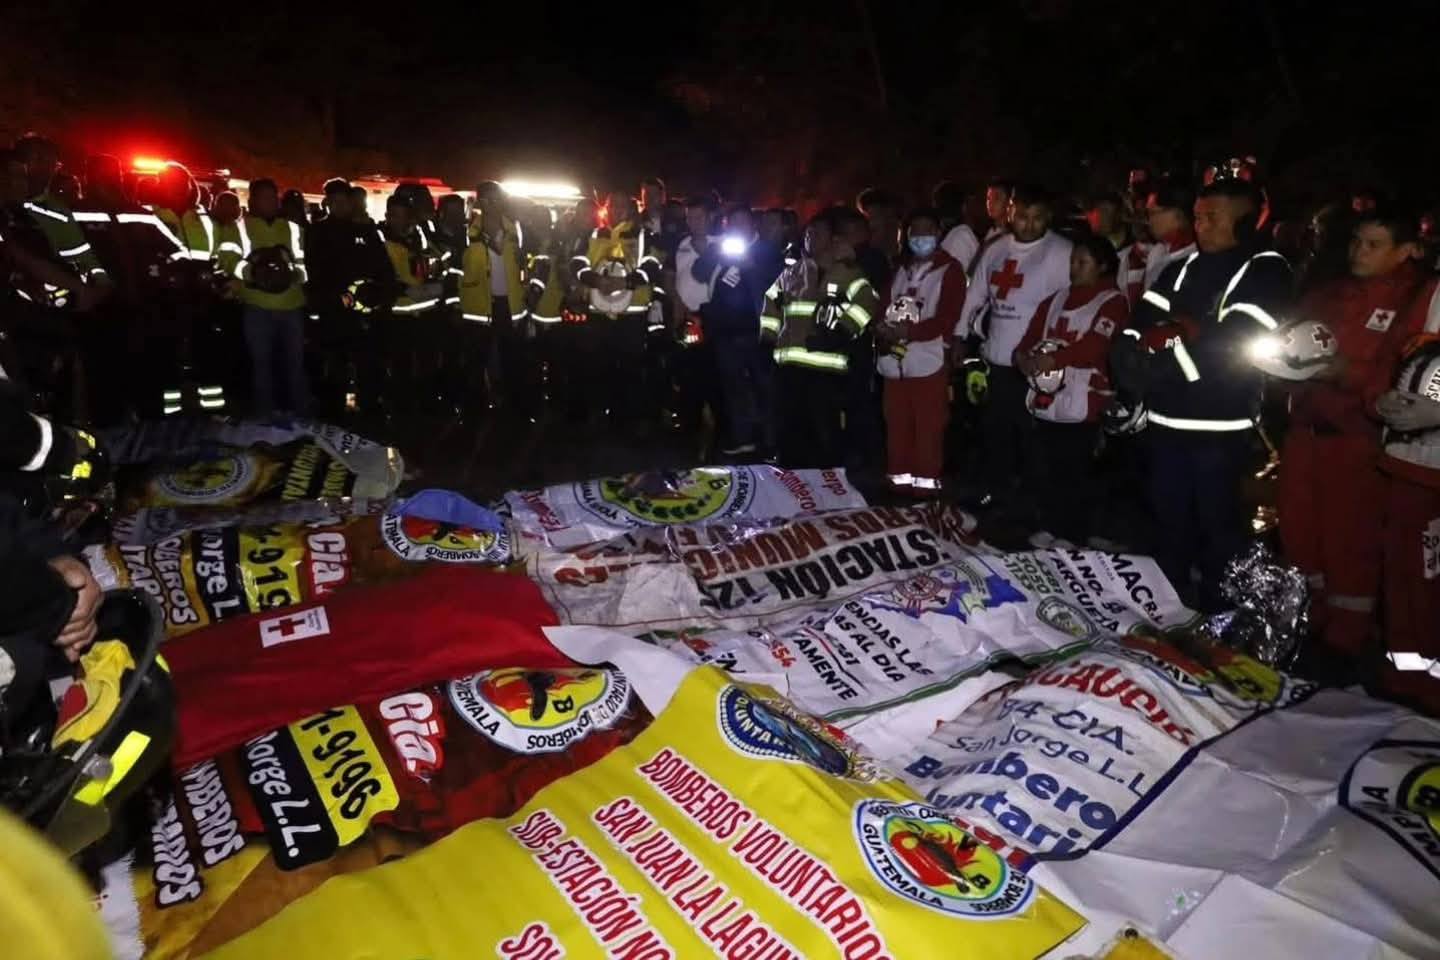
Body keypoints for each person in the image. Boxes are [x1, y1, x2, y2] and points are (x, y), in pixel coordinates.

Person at [1128, 178, 1292, 611]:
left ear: (1245, 221)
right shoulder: (1181, 268)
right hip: (1165, 422)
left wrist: (1174, 341)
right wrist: (1131, 352)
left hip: (1220, 426)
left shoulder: (1265, 269)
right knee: (1168, 522)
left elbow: (1235, 339)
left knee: (1219, 527)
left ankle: (1223, 616)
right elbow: (1141, 321)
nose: (1200, 226)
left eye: (1212, 217)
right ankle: (1169, 610)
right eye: (1198, 216)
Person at [1276, 209, 1427, 668]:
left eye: (1373, 244)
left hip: (1356, 439)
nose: (1359, 251)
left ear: (1406, 251)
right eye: (1357, 241)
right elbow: (1289, 336)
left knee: (1350, 542)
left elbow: (1403, 370)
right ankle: (1308, 620)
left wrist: (1346, 372)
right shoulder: (1330, 293)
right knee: (1299, 532)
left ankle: (1346, 642)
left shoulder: (1415, 300)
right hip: (1306, 432)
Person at [954, 184, 1073, 511]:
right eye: (1022, 216)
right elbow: (974, 296)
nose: (1029, 225)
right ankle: (997, 495)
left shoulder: (1062, 252)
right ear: (1010, 213)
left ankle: (1033, 505)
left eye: (1037, 218)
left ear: (1048, 217)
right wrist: (959, 337)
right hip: (997, 361)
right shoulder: (995, 250)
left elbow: (1071, 304)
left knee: (1034, 440)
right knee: (995, 433)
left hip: (1037, 366)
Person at [1014, 234, 1128, 545]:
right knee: (1047, 465)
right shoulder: (1055, 299)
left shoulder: (1112, 302)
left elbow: (1096, 346)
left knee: (1076, 470)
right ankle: (1051, 524)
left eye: (1082, 262)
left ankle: (1073, 532)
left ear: (1102, 266)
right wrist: (1022, 357)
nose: (1074, 268)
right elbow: (1032, 335)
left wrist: (1056, 359)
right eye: (1073, 261)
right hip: (1049, 398)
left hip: (1085, 400)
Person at [762, 208, 880, 467]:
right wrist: (768, 337)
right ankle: (791, 478)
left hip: (826, 369)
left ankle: (828, 482)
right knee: (788, 429)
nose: (810, 239)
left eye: (817, 234)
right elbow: (771, 301)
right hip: (789, 367)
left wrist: (842, 332)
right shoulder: (793, 272)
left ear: (833, 239)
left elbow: (867, 303)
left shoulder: (848, 272)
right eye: (807, 234)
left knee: (824, 434)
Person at [1374, 279, 1440, 713]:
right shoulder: (1432, 289)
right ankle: (1405, 673)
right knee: (1403, 572)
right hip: (1406, 460)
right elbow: (1398, 352)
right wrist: (1379, 400)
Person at [878, 208, 966, 496]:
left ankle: (926, 486)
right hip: (895, 362)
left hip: (929, 360)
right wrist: (882, 330)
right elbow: (883, 306)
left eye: (927, 230)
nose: (920, 236)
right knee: (897, 423)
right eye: (914, 231)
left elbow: (947, 317)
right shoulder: (901, 270)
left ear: (938, 233)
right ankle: (897, 482)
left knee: (928, 426)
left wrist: (910, 332)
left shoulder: (950, 270)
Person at [692, 204, 782, 458]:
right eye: (732, 223)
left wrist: (750, 266)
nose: (737, 227)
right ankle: (743, 438)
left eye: (742, 222)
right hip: (725, 331)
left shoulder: (767, 251)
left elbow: (776, 285)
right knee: (734, 388)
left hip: (756, 330)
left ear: (753, 224)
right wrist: (716, 254)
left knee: (763, 386)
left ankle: (770, 442)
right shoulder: (722, 248)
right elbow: (698, 272)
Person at [216, 178, 309, 417]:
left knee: (295, 365)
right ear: (252, 201)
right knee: (261, 365)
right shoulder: (236, 228)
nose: (270, 202)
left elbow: (304, 264)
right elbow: (228, 260)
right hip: (256, 307)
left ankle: (299, 417)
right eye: (264, 197)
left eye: (273, 197)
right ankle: (264, 417)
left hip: (291, 306)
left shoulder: (292, 228)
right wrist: (255, 274)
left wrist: (291, 274)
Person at [572, 190, 663, 430]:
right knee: (599, 365)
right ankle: (600, 415)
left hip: (632, 315)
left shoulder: (644, 235)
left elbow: (653, 265)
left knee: (631, 367)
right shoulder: (593, 234)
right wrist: (594, 279)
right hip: (599, 313)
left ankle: (630, 419)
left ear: (632, 209)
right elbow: (577, 262)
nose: (617, 210)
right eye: (612, 206)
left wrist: (626, 282)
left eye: (622, 206)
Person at [460, 181, 530, 414]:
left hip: (509, 304)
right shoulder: (468, 230)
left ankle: (513, 407)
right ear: (479, 202)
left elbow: (521, 262)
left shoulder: (514, 229)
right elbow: (459, 267)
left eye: (497, 199)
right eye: (487, 200)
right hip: (479, 306)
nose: (492, 204)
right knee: (476, 360)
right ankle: (475, 409)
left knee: (512, 358)